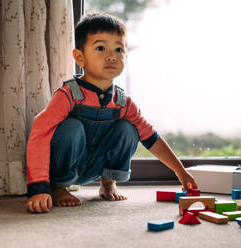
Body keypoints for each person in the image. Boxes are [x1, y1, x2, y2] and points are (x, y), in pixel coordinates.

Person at [26, 11, 198, 214]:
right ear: (80, 57)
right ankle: (57, 186)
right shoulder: (69, 94)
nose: (111, 56)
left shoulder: (122, 101)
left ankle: (108, 181)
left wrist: (180, 171)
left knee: (129, 128)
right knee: (72, 127)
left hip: (95, 165)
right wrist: (38, 186)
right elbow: (39, 133)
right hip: (66, 165)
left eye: (119, 49)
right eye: (100, 48)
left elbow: (151, 137)